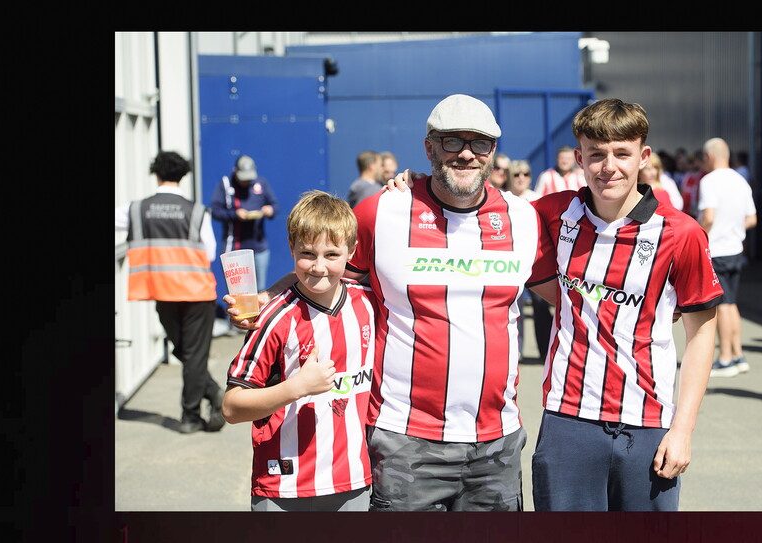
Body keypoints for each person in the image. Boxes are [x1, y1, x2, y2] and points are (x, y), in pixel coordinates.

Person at [229, 94, 559, 511]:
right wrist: (267, 298)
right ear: (429, 147)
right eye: (452, 141)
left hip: (497, 444)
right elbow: (325, 270)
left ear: (493, 150)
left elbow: (570, 299)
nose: (466, 153)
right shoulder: (382, 211)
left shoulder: (522, 218)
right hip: (405, 441)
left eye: (479, 142)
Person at [530, 98, 722, 511]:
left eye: (622, 153)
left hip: (648, 424)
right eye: (596, 154)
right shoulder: (551, 213)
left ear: (644, 157)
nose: (608, 167)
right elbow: (478, 211)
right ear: (579, 158)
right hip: (567, 420)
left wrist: (683, 430)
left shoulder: (681, 233)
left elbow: (702, 334)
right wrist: (411, 189)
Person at [221, 190, 376, 511]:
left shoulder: (370, 302)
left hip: (353, 481)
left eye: (331, 254)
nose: (319, 267)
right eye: (307, 253)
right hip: (284, 487)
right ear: (291, 248)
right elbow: (232, 408)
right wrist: (297, 388)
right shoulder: (274, 318)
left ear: (351, 251)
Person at [116, 151, 225, 434]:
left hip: (162, 292)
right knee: (192, 355)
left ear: (156, 174)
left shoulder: (136, 210)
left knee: (185, 352)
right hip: (197, 293)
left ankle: (203, 402)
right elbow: (210, 252)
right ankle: (197, 410)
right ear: (183, 176)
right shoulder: (197, 211)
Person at [696, 138, 758, 377]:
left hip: (716, 250)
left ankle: (725, 358)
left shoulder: (709, 181)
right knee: (731, 304)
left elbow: (709, 217)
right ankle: (738, 355)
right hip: (735, 248)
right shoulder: (740, 180)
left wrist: (699, 237)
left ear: (710, 156)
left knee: (721, 306)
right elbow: (751, 219)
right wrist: (733, 228)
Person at [503, 160, 552, 361]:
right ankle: (516, 352)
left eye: (525, 174)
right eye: (516, 174)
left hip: (535, 261)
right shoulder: (502, 199)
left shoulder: (537, 199)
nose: (521, 178)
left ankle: (546, 353)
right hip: (510, 261)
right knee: (514, 307)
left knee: (541, 307)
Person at [210, 154, 279, 292]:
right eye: (243, 179)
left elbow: (275, 206)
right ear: (235, 171)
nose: (246, 182)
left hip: (258, 246)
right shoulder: (226, 184)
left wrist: (270, 210)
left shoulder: (261, 183)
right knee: (237, 291)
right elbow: (215, 211)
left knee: (260, 289)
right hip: (234, 246)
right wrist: (235, 214)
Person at [678, 149, 707, 219]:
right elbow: (682, 190)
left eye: (693, 162)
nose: (691, 164)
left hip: (697, 212)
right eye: (690, 162)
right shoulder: (687, 175)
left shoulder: (704, 175)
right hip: (686, 211)